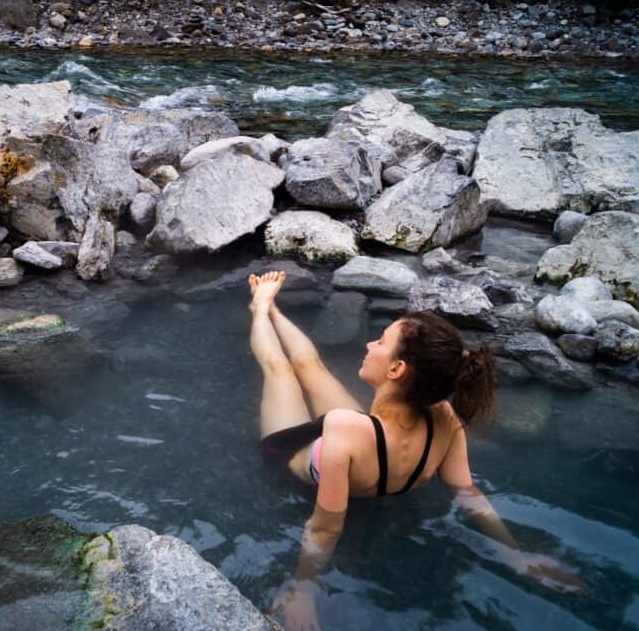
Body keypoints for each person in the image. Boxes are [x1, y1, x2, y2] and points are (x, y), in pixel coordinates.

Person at [247, 270, 583, 631]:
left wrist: (304, 590)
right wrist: (516, 555)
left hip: (297, 450)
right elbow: (467, 493)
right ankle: (271, 309)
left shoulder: (345, 426)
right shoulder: (445, 416)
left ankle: (260, 306)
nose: (369, 345)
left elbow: (325, 529)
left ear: (396, 368)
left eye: (380, 342)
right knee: (310, 367)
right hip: (366, 438)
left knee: (279, 368)